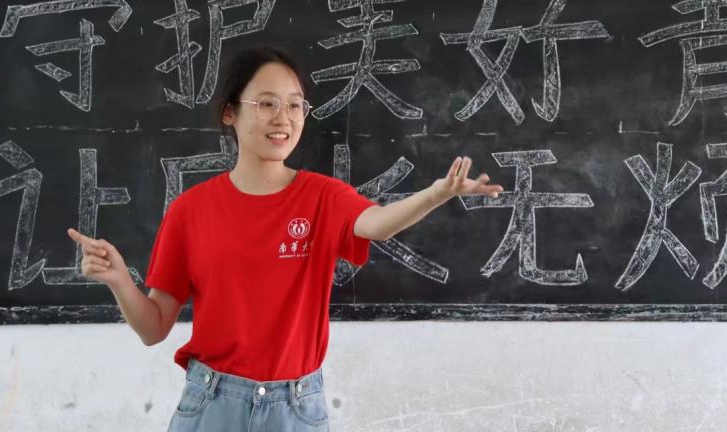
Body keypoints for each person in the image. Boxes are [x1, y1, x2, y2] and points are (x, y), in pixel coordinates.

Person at [66, 46, 502, 431]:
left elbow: (378, 223)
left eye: (295, 105)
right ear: (230, 112)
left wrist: (435, 194)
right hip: (212, 405)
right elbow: (154, 328)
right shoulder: (190, 210)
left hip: (295, 408)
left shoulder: (323, 197)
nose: (284, 118)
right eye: (267, 103)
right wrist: (120, 281)